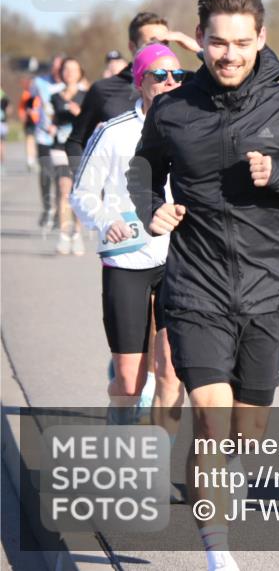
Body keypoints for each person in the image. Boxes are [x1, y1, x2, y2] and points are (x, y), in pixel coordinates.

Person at [127, 0, 279, 571]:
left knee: (246, 434)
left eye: (242, 43)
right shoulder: (173, 109)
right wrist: (151, 207)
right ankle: (216, 550)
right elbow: (146, 165)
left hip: (266, 290)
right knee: (210, 417)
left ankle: (220, 481)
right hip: (194, 288)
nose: (229, 54)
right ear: (198, 40)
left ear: (261, 39)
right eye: (218, 42)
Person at [70, 44, 186, 451]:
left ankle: (156, 459)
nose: (171, 82)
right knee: (129, 378)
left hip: (178, 262)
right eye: (160, 75)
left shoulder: (192, 127)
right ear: (140, 82)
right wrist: (106, 221)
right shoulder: (113, 132)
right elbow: (82, 194)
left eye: (178, 75)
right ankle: (119, 441)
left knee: (172, 372)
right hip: (126, 261)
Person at [67, 12, 200, 161]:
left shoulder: (183, 80)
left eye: (165, 43)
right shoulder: (103, 90)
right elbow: (76, 141)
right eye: (152, 42)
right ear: (132, 46)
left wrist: (197, 49)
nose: (159, 49)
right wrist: (86, 177)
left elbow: (225, 87)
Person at [51, 58, 87, 255]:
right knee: (64, 188)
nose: (70, 72)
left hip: (80, 148)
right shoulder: (54, 97)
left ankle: (77, 235)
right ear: (62, 73)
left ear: (80, 72)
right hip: (59, 148)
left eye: (74, 69)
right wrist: (49, 125)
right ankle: (64, 235)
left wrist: (79, 112)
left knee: (78, 193)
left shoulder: (88, 95)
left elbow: (93, 120)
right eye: (67, 69)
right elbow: (48, 118)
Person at [29, 56, 64, 231]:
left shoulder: (69, 85)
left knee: (60, 176)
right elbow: (30, 101)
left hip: (61, 137)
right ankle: (47, 208)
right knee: (45, 173)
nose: (57, 70)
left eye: (60, 67)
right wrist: (32, 116)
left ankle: (59, 212)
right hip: (43, 135)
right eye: (54, 67)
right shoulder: (39, 82)